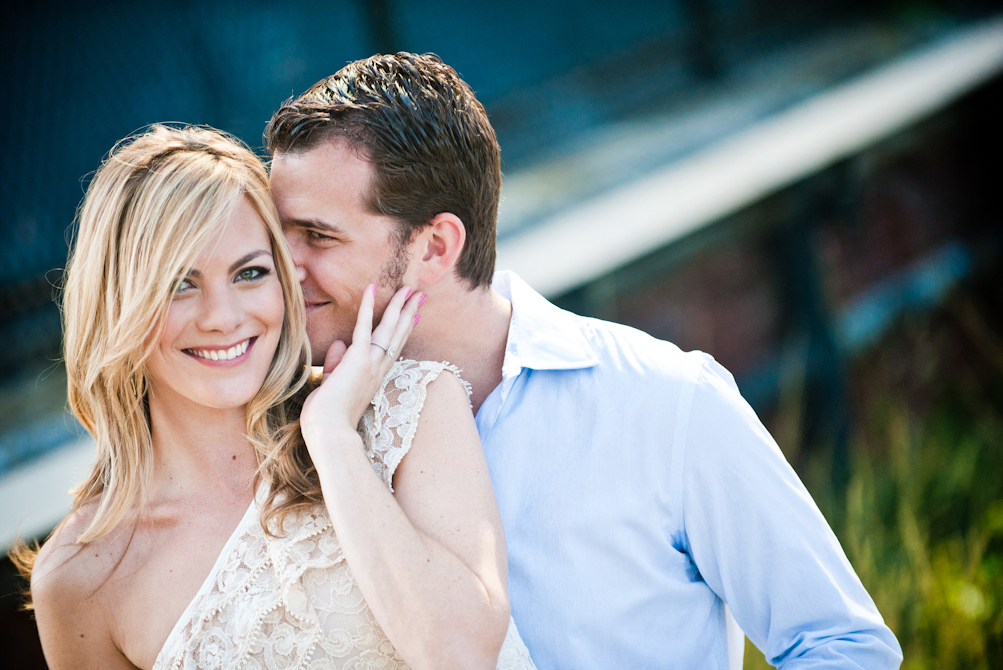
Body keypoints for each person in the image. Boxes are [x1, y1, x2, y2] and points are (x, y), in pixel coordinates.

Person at [265, 52, 905, 669]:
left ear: (436, 246)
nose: (281, 272)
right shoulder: (285, 435)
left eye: (318, 236)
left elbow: (841, 645)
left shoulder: (664, 401)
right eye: (276, 237)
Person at [17, 124, 537, 669]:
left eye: (249, 273)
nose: (223, 317)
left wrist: (334, 439)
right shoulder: (80, 578)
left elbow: (461, 654)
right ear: (118, 304)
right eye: (179, 284)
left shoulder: (409, 409)